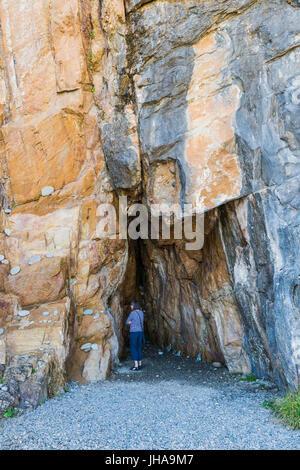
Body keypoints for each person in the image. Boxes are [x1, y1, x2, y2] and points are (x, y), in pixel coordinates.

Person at [126, 301, 144, 371]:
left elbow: (127, 322)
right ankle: (140, 364)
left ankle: (136, 366)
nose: (131, 306)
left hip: (134, 332)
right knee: (139, 347)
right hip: (140, 332)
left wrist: (131, 322)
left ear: (134, 306)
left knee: (134, 348)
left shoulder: (132, 313)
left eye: (131, 305)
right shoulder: (141, 313)